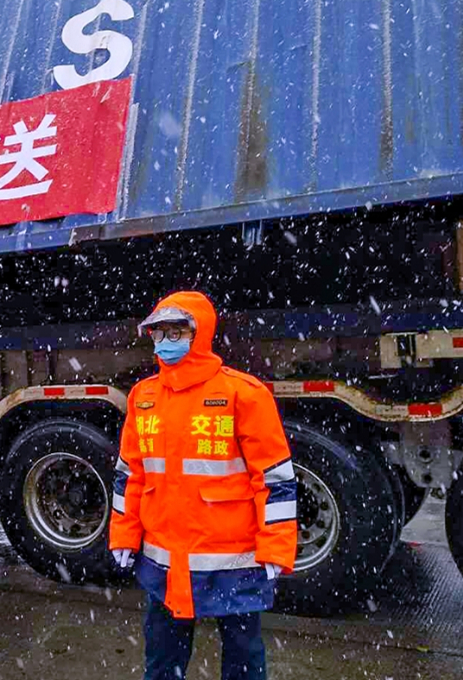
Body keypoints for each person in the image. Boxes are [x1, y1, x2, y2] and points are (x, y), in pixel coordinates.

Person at [109, 291, 297, 680]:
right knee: (161, 657)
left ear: (200, 333)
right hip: (163, 562)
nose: (165, 342)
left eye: (176, 332)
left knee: (244, 657)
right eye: (158, 333)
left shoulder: (242, 395)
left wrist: (276, 546)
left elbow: (274, 477)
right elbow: (130, 474)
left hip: (232, 560)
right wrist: (123, 537)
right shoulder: (143, 398)